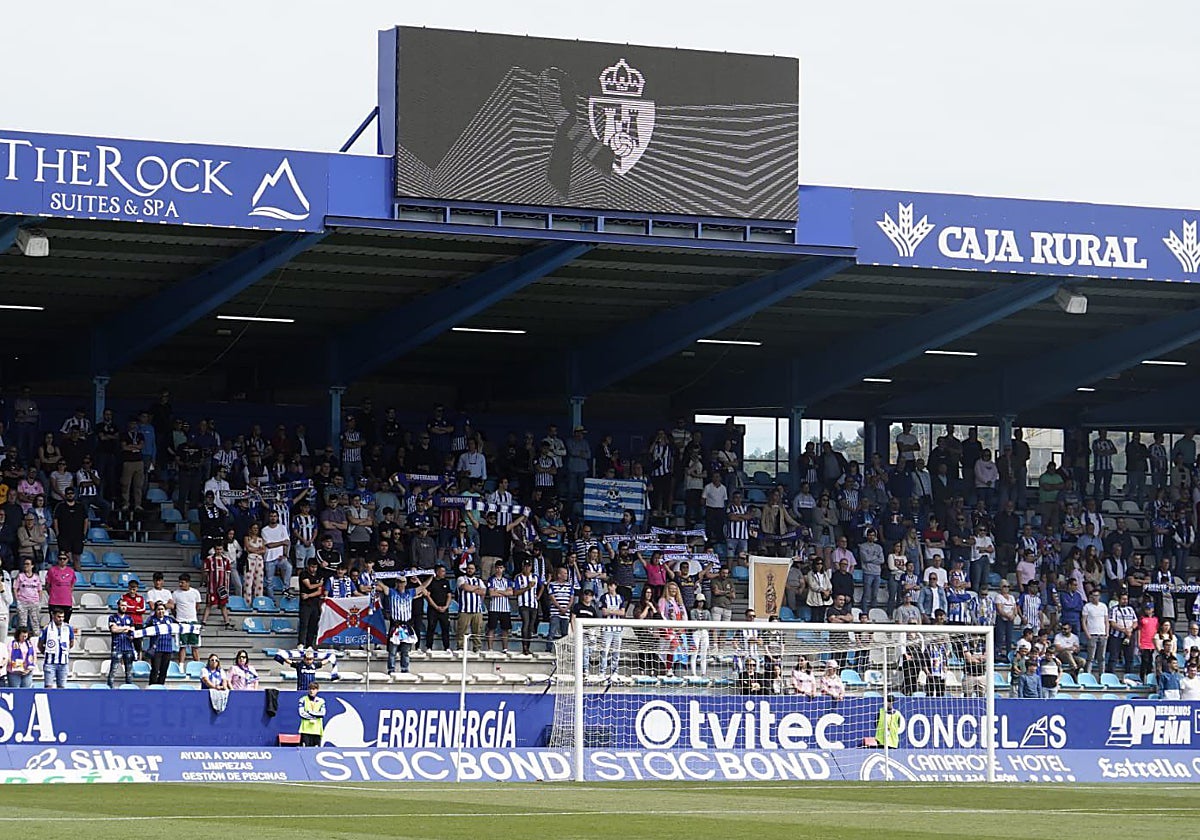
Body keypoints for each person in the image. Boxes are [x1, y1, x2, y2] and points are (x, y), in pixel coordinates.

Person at [38, 608, 74, 688]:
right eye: (59, 617)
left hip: (63, 663)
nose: (61, 619)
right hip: (50, 663)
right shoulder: (46, 628)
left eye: (62, 617)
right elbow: (40, 644)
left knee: (62, 688)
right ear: (53, 615)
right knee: (48, 687)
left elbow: (71, 643)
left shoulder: (68, 628)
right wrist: (47, 652)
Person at [202, 546, 234, 629]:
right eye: (217, 549)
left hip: (223, 587)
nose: (219, 551)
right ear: (214, 549)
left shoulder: (226, 560)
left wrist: (226, 587)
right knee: (209, 604)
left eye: (220, 549)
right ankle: (203, 622)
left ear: (222, 549)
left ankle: (227, 623)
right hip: (212, 587)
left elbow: (228, 574)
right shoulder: (209, 559)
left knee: (223, 605)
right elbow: (206, 573)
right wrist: (207, 583)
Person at [107, 599, 136, 687]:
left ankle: (129, 689)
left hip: (128, 647)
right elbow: (113, 630)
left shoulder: (129, 618)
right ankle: (110, 688)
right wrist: (125, 628)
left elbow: (132, 631)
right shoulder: (112, 617)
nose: (124, 607)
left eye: (125, 606)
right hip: (117, 646)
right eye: (122, 605)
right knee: (113, 670)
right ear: (118, 606)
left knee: (129, 671)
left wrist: (120, 628)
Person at [297, 557, 324, 649]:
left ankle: (309, 644)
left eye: (315, 567)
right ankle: (301, 643)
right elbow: (309, 586)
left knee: (313, 625)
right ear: (308, 566)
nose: (314, 569)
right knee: (304, 624)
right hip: (305, 604)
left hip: (315, 603)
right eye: (312, 567)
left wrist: (309, 595)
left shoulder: (319, 575)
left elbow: (319, 592)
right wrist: (319, 584)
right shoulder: (303, 574)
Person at [297, 680, 326, 747]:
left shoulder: (321, 701)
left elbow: (322, 714)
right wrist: (316, 716)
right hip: (305, 730)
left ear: (317, 690)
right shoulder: (303, 700)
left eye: (313, 689)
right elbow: (301, 713)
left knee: (315, 751)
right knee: (305, 751)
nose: (311, 691)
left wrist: (310, 712)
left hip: (317, 730)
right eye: (310, 689)